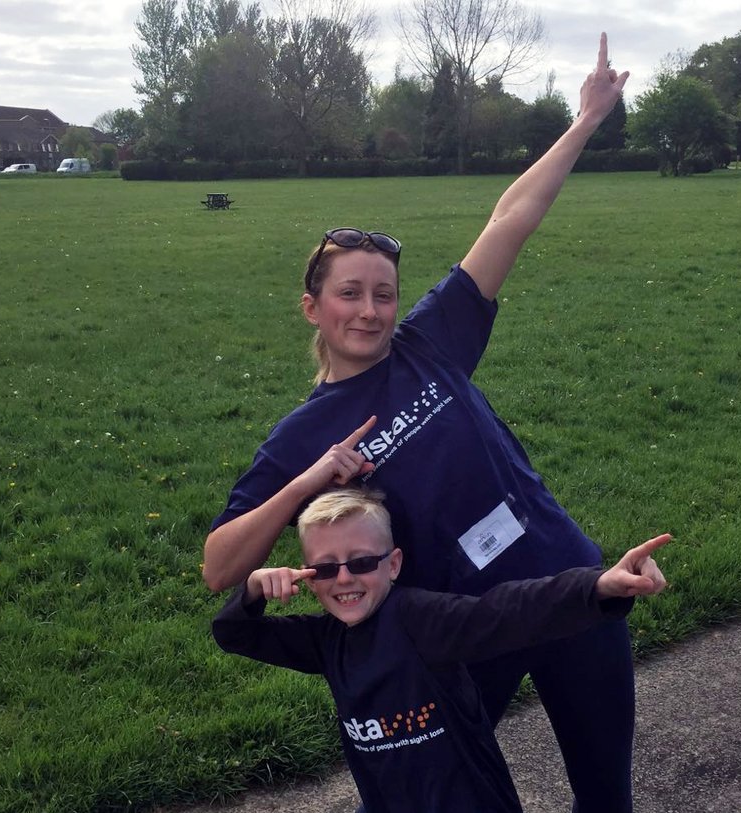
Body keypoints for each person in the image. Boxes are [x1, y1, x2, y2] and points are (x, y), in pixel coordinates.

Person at [205, 32, 659, 812]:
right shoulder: (301, 434)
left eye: (384, 292)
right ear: (314, 307)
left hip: (569, 585)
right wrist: (311, 479)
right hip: (457, 632)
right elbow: (220, 565)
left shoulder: (429, 341)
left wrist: (585, 119)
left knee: (605, 796)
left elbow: (510, 218)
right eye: (350, 293)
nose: (372, 310)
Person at [212, 488, 671, 813]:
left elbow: (508, 611)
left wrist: (599, 585)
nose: (345, 579)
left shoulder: (423, 621)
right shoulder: (324, 641)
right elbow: (235, 634)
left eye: (362, 562)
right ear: (307, 576)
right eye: (325, 569)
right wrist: (252, 591)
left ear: (393, 564)